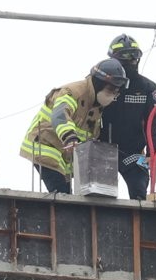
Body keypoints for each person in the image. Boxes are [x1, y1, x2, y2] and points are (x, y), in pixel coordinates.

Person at [20, 59, 129, 194]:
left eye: (116, 92)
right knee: (60, 192)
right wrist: (70, 137)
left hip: (64, 155)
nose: (112, 95)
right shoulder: (72, 92)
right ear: (99, 83)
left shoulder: (97, 106)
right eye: (110, 89)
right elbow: (60, 115)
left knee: (66, 195)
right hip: (45, 146)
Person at [100, 34, 156, 199]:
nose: (130, 62)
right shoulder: (103, 82)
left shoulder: (147, 87)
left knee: (139, 192)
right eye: (125, 59)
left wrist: (153, 153)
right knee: (99, 194)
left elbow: (155, 122)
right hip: (103, 148)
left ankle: (142, 222)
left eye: (133, 58)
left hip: (133, 152)